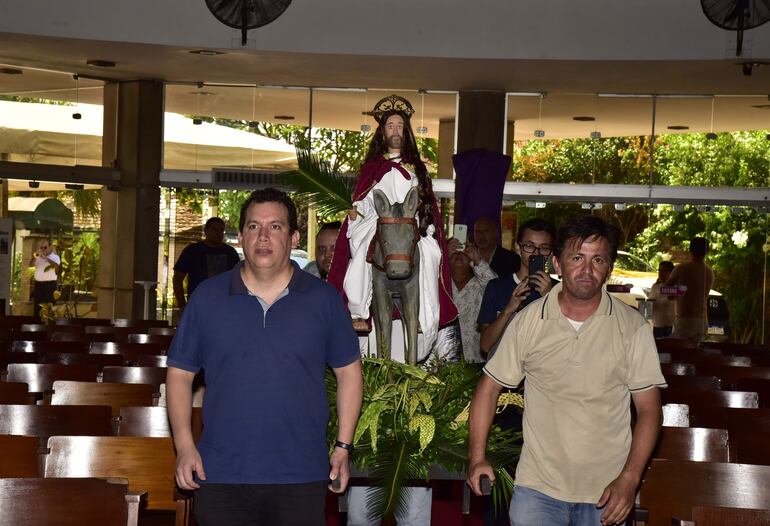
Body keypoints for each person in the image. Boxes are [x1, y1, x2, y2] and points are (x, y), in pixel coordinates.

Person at [166, 188, 363, 526]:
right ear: (240, 236)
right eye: (254, 227)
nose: (263, 237)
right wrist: (184, 447)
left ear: (294, 236)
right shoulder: (208, 297)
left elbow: (349, 373)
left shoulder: (324, 300)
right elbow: (180, 374)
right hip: (221, 474)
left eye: (276, 227)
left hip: (301, 473)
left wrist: (343, 447)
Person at [468, 215, 666, 526]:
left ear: (609, 267)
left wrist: (629, 479)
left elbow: (650, 410)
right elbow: (488, 387)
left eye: (597, 259)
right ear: (558, 264)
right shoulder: (529, 320)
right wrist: (477, 458)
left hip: (606, 494)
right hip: (537, 490)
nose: (586, 270)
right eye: (577, 258)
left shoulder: (632, 328)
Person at [327, 94, 457, 358]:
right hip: (378, 221)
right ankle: (359, 311)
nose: (395, 131)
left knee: (431, 254)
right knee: (361, 252)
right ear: (382, 133)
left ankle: (424, 313)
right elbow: (364, 200)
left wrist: (426, 221)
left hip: (410, 224)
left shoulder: (418, 168)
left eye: (399, 126)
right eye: (390, 126)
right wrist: (357, 211)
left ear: (406, 131)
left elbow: (427, 202)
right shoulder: (372, 168)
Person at [477, 218, 558, 357]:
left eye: (544, 248)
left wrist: (550, 299)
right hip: (501, 374)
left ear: (550, 253)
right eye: (529, 245)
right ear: (518, 248)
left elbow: (564, 342)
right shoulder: (496, 287)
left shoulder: (559, 290)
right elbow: (485, 345)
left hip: (542, 374)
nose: (536, 253)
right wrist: (508, 309)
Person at [173, 217, 240, 311]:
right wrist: (182, 304)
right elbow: (177, 279)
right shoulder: (192, 251)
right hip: (198, 305)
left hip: (224, 306)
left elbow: (238, 280)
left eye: (221, 230)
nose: (218, 233)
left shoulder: (230, 252)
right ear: (206, 231)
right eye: (214, 229)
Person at [447, 237, 497, 363]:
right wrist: (442, 256)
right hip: (442, 360)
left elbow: (496, 286)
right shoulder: (439, 284)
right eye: (454, 252)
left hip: (475, 360)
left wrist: (477, 258)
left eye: (463, 251)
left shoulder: (481, 285)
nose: (459, 255)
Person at [665, 237, 715, 343]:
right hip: (702, 320)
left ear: (690, 250)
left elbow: (666, 290)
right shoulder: (709, 272)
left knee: (680, 352)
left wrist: (679, 292)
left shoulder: (681, 269)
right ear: (707, 252)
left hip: (684, 318)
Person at [29, 240, 60, 319]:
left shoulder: (55, 257)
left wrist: (46, 258)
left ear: (50, 247)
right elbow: (30, 265)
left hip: (50, 285)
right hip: (38, 285)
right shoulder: (38, 257)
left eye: (45, 247)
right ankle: (36, 326)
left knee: (50, 307)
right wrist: (34, 257)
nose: (43, 249)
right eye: (41, 247)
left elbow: (56, 266)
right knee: (37, 306)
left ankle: (50, 327)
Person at [649, 260, 675, 338]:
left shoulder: (675, 288)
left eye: (664, 270)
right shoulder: (655, 287)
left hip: (670, 325)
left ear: (670, 272)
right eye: (659, 270)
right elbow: (650, 304)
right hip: (657, 324)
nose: (661, 273)